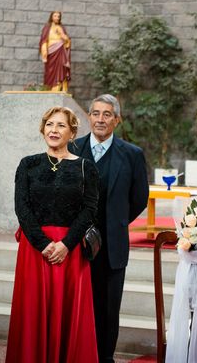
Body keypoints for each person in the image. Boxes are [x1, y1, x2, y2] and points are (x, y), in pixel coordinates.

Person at [6, 106, 99, 363]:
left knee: (69, 314)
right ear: (42, 129)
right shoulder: (28, 164)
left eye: (61, 125)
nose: (54, 130)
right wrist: (44, 244)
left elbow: (90, 209)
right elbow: (21, 208)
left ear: (71, 133)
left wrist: (66, 245)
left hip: (70, 252)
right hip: (35, 251)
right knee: (33, 313)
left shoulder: (85, 167)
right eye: (49, 124)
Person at [69, 94, 149, 363]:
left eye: (106, 114)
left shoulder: (132, 155)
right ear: (88, 117)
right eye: (95, 113)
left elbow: (139, 197)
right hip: (75, 244)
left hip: (112, 245)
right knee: (77, 306)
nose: (100, 119)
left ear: (117, 119)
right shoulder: (73, 149)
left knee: (107, 309)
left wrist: (116, 221)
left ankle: (104, 358)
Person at [40, 11, 71, 91]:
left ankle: (59, 87)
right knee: (50, 71)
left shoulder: (61, 28)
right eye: (55, 16)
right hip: (50, 52)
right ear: (51, 17)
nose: (57, 18)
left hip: (60, 51)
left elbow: (67, 41)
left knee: (61, 69)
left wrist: (62, 35)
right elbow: (44, 40)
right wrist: (44, 52)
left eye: (58, 16)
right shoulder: (47, 27)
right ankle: (49, 88)